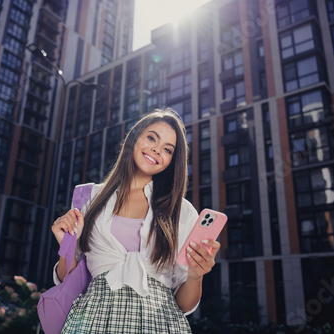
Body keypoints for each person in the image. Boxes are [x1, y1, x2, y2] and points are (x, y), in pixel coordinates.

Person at [51, 108, 220, 333]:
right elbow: (70, 281)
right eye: (152, 137)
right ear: (134, 137)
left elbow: (183, 305)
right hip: (91, 320)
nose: (156, 150)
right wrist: (66, 245)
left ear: (172, 161)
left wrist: (196, 275)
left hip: (160, 323)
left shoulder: (181, 211)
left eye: (168, 150)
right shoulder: (89, 198)